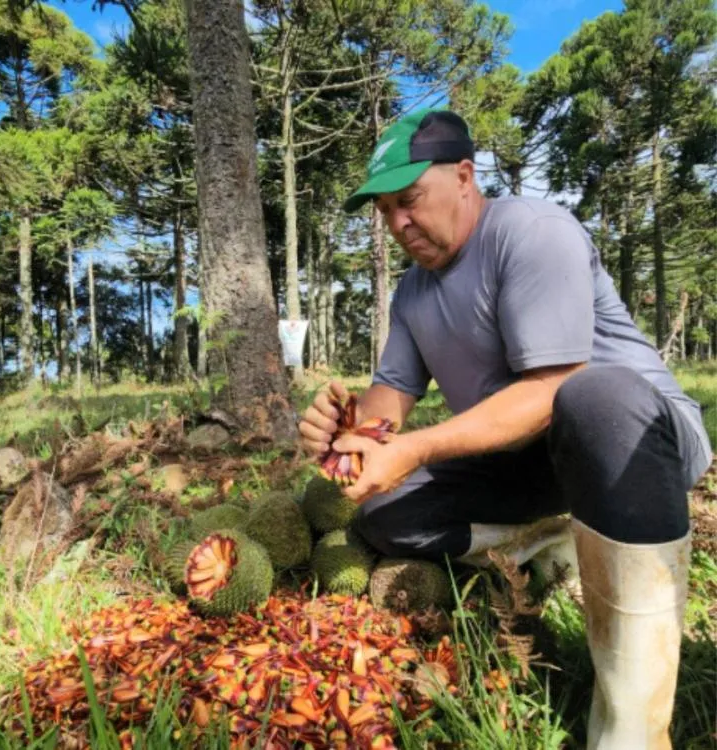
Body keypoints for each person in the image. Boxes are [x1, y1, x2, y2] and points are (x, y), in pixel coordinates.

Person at [298, 108, 712, 750]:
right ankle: (557, 545)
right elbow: (393, 398)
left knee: (592, 397)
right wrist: (353, 435)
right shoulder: (411, 294)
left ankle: (631, 730)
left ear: (464, 176)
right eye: (385, 211)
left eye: (409, 199)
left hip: (631, 439)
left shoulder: (531, 232)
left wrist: (415, 447)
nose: (398, 223)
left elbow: (551, 392)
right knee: (383, 511)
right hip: (529, 459)